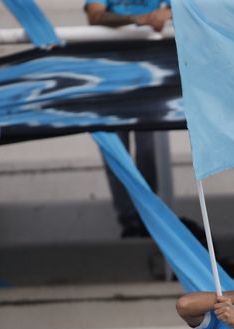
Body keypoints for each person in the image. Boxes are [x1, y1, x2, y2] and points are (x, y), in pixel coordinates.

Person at [84, 0, 171, 238]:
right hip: (111, 75)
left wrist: (168, 12)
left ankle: (148, 216)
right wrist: (137, 19)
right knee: (116, 150)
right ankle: (130, 220)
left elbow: (190, 10)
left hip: (148, 73)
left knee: (147, 148)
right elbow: (95, 17)